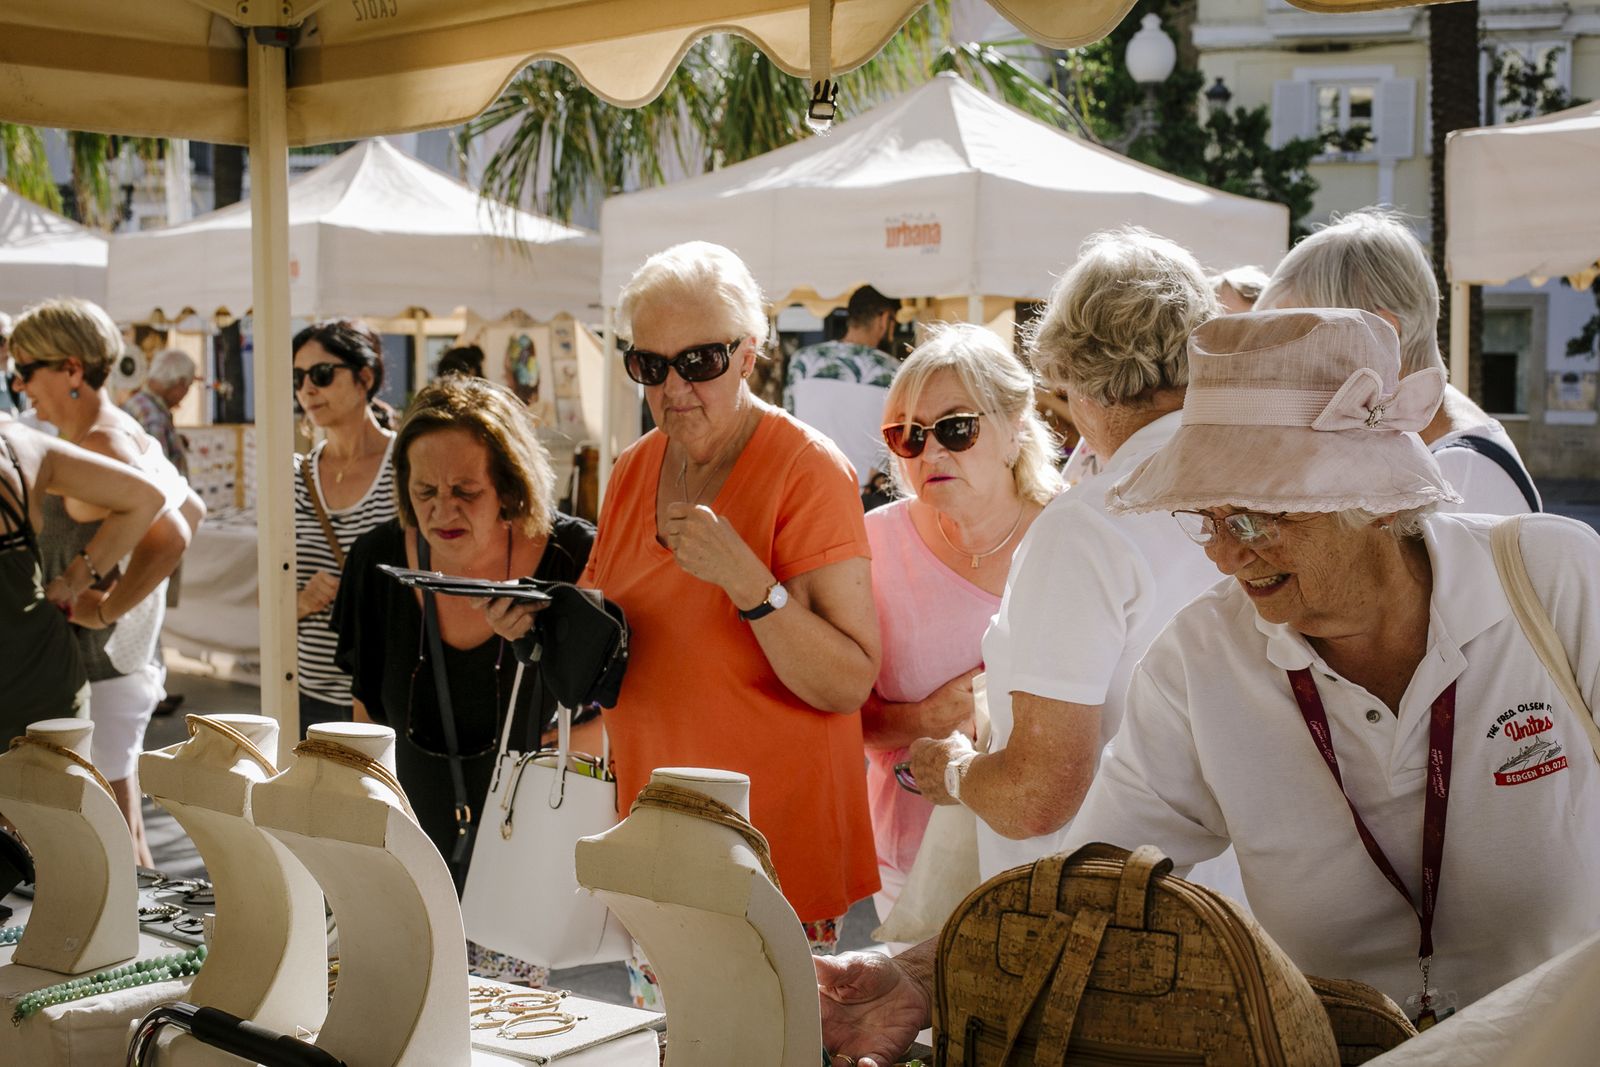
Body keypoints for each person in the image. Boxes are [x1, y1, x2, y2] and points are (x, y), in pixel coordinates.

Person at [816, 309, 1600, 1066]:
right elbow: (1088, 878)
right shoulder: (1203, 658)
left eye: (1254, 520)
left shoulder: (1555, 584)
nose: (1225, 555)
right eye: (1205, 518)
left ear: (1370, 500)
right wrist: (919, 973)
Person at [584, 241, 881, 1000]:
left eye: (700, 361)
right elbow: (610, 631)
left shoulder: (807, 468)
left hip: (769, 854)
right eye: (650, 365)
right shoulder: (631, 469)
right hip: (655, 837)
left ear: (750, 354)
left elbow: (849, 679)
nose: (674, 386)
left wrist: (750, 582)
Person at [904, 229, 1238, 893]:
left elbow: (1038, 794)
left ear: (1076, 374)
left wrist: (953, 771)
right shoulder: (1256, 483)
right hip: (1237, 897)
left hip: (1113, 923)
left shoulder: (1089, 524)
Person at [332, 375, 597, 982]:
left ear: (509, 487)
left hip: (527, 853)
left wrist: (537, 646)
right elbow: (365, 718)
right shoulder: (377, 565)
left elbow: (616, 708)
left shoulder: (573, 562)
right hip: (408, 854)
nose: (441, 510)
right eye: (424, 490)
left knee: (504, 1031)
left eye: (465, 491)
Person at [862, 324, 1059, 921]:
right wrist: (924, 719)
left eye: (955, 428)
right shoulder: (873, 543)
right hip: (913, 860)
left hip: (1048, 856)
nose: (932, 453)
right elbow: (838, 712)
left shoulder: (1069, 536)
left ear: (1015, 424)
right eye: (908, 436)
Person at [9, 298, 205, 867]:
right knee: (122, 827)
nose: (20, 385)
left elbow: (171, 534)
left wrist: (97, 597)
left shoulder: (101, 440)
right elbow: (190, 508)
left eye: (27, 369)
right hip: (120, 663)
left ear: (71, 368)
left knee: (113, 839)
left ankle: (137, 951)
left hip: (101, 667)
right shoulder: (121, 429)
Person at [1256, 207, 1540, 514]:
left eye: (1302, 339)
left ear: (1383, 334)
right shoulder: (1427, 444)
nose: (1286, 363)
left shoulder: (1455, 472)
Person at [0, 415, 167, 743]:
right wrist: (73, 582)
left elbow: (150, 502)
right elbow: (145, 499)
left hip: (41, 693)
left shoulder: (22, 441)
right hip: (47, 682)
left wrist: (77, 584)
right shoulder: (22, 441)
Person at [292, 320, 399, 737]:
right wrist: (302, 601)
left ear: (364, 378)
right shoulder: (296, 477)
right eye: (298, 378)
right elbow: (268, 598)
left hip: (385, 692)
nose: (307, 390)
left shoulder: (407, 467)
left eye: (321, 374)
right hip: (308, 690)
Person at [784, 285, 903, 494]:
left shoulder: (802, 362)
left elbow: (789, 424)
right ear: (884, 319)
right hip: (863, 494)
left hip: (807, 489)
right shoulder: (892, 371)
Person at [121, 348, 195, 480]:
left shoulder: (138, 403)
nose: (185, 394)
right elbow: (159, 476)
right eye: (187, 386)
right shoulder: (153, 417)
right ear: (180, 383)